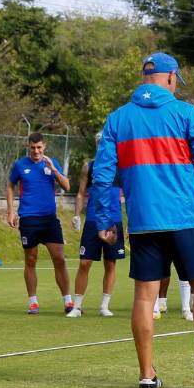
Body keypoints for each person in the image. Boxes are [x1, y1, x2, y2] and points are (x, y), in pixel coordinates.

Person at [91, 52, 194, 388]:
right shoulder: (185, 112)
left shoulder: (117, 119)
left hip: (142, 221)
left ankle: (147, 374)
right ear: (170, 77)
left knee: (144, 299)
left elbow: (103, 176)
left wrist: (107, 219)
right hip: (183, 217)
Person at [7, 132, 73, 314]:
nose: (36, 151)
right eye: (33, 147)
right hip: (28, 219)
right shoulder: (20, 165)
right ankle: (33, 301)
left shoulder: (51, 163)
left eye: (39, 147)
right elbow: (10, 185)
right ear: (28, 147)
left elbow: (67, 186)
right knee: (30, 259)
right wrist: (11, 211)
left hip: (49, 219)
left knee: (59, 259)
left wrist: (54, 169)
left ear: (44, 147)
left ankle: (68, 301)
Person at [69, 136, 126, 318]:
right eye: (99, 143)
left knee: (110, 263)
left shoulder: (121, 168)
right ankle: (77, 307)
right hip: (93, 221)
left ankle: (104, 306)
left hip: (114, 221)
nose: (102, 146)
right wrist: (77, 214)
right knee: (85, 263)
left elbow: (130, 195)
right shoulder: (89, 167)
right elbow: (80, 194)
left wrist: (131, 223)